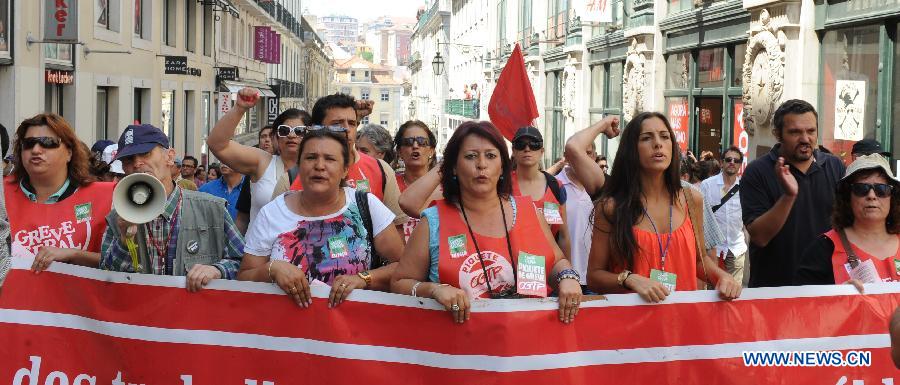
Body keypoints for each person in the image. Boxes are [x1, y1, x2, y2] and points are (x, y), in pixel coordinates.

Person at [391, 121, 582, 324]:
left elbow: (556, 262)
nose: (481, 164)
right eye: (471, 156)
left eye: (490, 156)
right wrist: (434, 290)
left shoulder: (530, 212)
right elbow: (399, 283)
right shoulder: (433, 221)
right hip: (456, 348)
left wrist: (567, 277)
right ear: (453, 166)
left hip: (527, 342)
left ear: (502, 167)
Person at [237, 127, 403, 308]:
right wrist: (272, 269)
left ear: (345, 169)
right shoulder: (272, 212)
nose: (319, 166)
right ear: (299, 165)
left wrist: (364, 278)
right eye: (310, 158)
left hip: (354, 330)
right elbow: (244, 277)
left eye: (330, 159)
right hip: (286, 332)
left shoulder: (367, 205)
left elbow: (403, 269)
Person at [586, 112, 740, 303]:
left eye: (665, 136)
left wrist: (722, 277)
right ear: (631, 149)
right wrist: (629, 279)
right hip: (631, 326)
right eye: (646, 138)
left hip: (682, 324)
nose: (658, 143)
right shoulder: (611, 207)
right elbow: (594, 277)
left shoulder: (693, 199)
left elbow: (699, 261)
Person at [99, 124, 244, 292]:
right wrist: (124, 242)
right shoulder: (119, 217)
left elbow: (243, 263)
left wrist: (217, 270)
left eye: (145, 154)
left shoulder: (211, 209)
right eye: (128, 159)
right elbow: (106, 279)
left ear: (170, 157)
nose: (137, 163)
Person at [741, 99, 846, 287]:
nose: (805, 138)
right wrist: (788, 197)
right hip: (775, 290)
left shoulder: (834, 166)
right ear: (777, 135)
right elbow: (759, 236)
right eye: (795, 132)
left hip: (825, 287)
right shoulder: (757, 171)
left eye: (811, 131)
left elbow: (847, 225)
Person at [5, 113, 115, 272]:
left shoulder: (106, 197)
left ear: (69, 152)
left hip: (78, 296)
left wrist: (74, 255)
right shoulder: (2, 193)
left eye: (48, 143)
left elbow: (125, 265)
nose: (36, 150)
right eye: (28, 143)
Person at [289, 93, 406, 227]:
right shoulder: (290, 178)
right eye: (337, 123)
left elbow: (398, 226)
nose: (346, 129)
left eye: (352, 123)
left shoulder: (381, 169)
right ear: (318, 128)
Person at [208, 89, 308, 231]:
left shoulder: (320, 168)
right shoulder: (263, 162)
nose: (292, 135)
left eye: (299, 131)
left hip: (303, 251)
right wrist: (240, 108)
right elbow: (217, 144)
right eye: (284, 130)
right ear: (275, 137)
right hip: (260, 250)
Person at [796, 154, 900, 286]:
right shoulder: (823, 249)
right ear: (847, 197)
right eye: (861, 189)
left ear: (893, 197)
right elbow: (803, 304)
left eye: (881, 189)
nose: (871, 196)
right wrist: (839, 297)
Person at [562, 119, 619, 291]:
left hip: (604, 276)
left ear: (594, 156)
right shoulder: (555, 186)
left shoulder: (617, 188)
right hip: (569, 277)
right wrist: (604, 124)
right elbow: (573, 147)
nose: (583, 159)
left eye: (589, 154)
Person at [700, 146, 747, 283]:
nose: (732, 162)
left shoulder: (745, 187)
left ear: (740, 165)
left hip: (736, 249)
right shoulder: (707, 185)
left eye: (736, 161)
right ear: (721, 163)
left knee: (734, 293)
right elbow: (701, 218)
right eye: (728, 159)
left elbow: (746, 219)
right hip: (714, 250)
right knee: (713, 293)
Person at [393, 120, 438, 242]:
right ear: (399, 152)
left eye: (422, 142)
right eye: (408, 142)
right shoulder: (389, 184)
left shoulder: (443, 187)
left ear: (431, 151)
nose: (415, 146)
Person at [232, 124, 281, 235]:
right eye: (263, 137)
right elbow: (242, 217)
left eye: (271, 136)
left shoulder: (294, 169)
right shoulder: (252, 173)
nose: (267, 140)